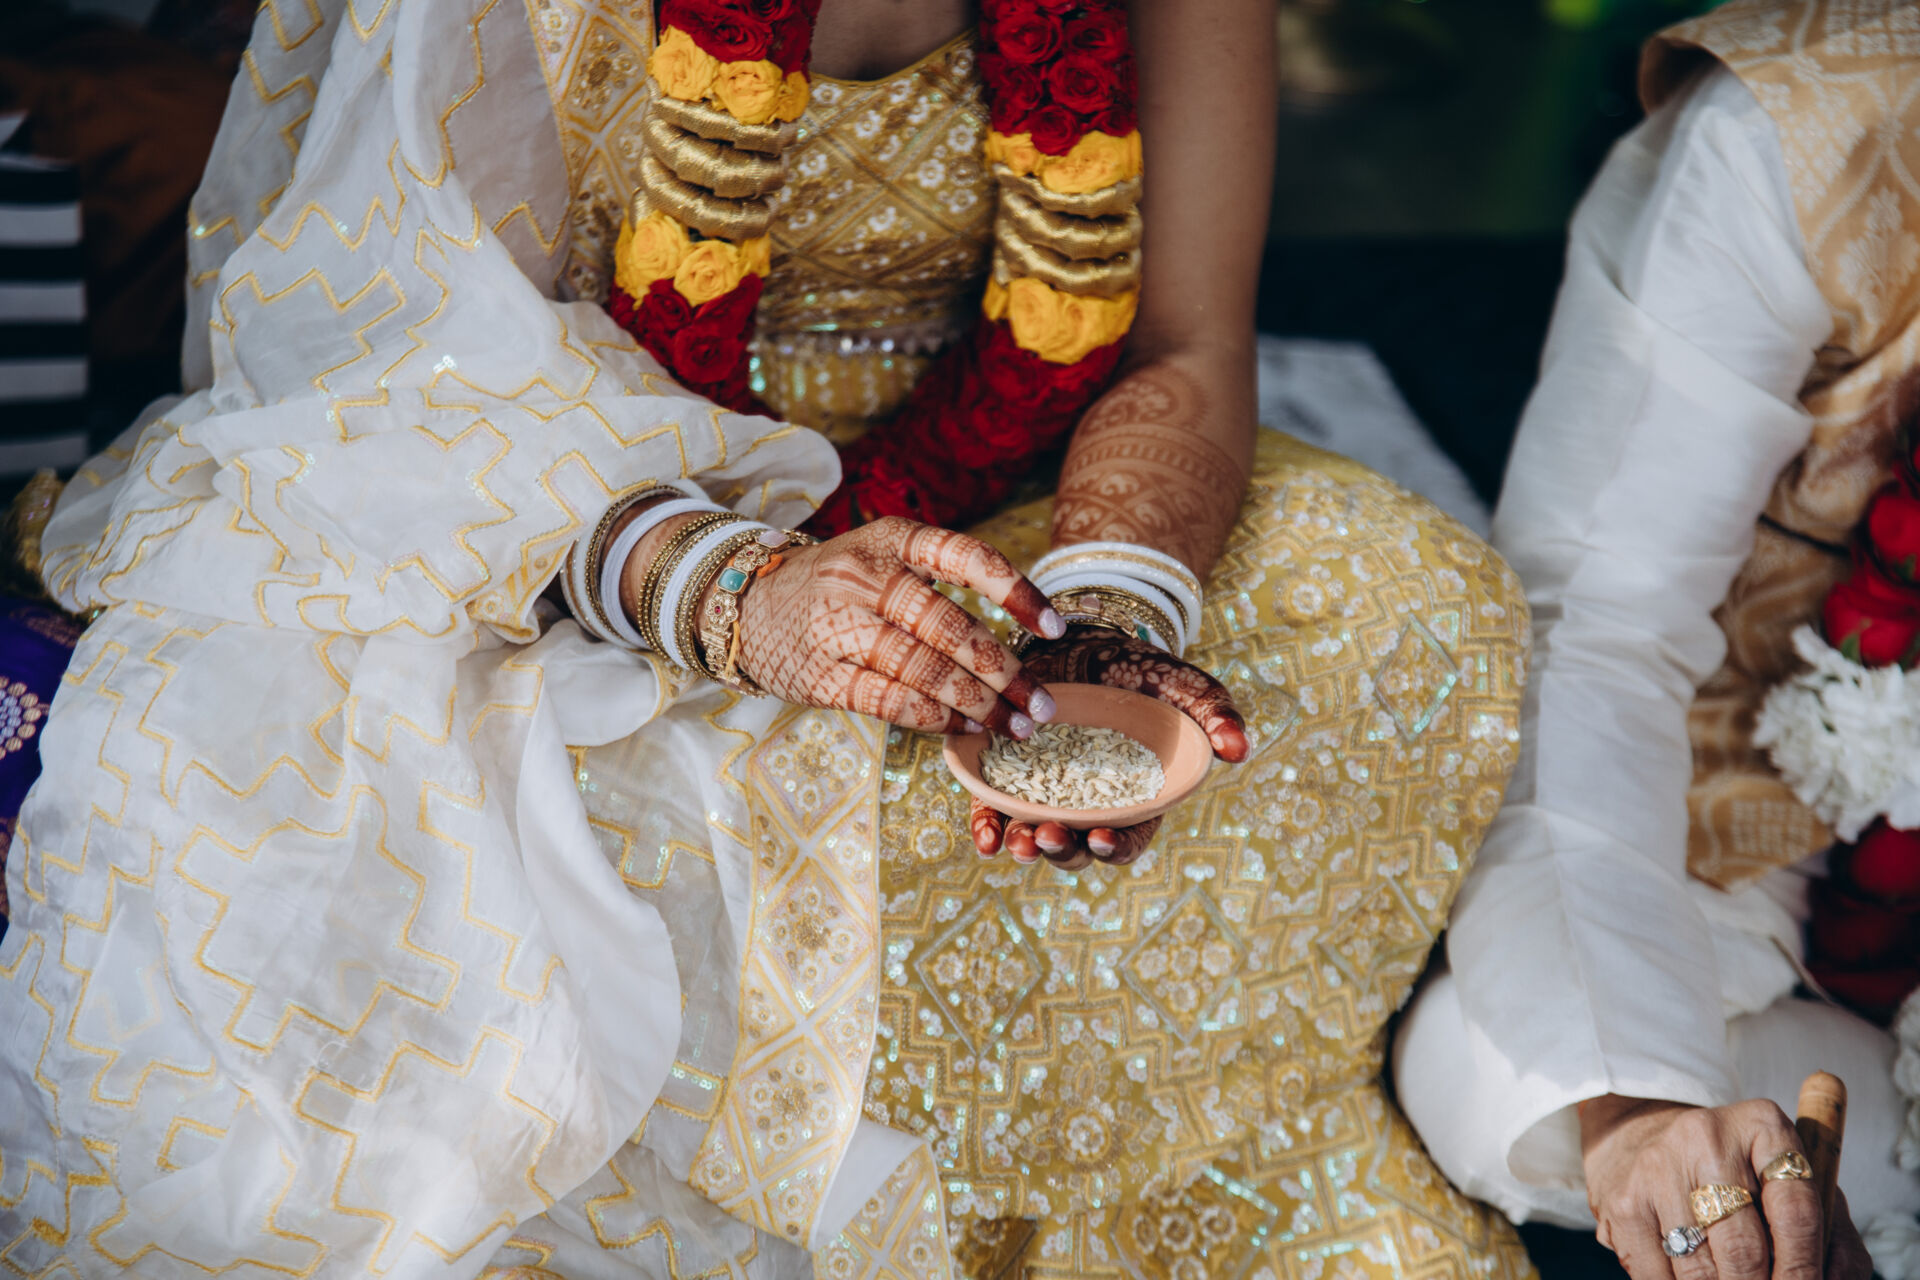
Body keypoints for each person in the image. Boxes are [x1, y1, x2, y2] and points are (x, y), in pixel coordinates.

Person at [0, 0, 1533, 1274]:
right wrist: (732, 596)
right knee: (410, 799)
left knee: (1409, 600)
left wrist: (1102, 622)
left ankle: (1196, 1171)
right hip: (579, 534)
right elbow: (394, 362)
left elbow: (1189, 341)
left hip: (1003, 514)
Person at [1394, 1, 1920, 1277]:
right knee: (1493, 1072)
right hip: (1749, 804)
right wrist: (1636, 1107)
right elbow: (1599, 617)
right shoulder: (1817, 127)